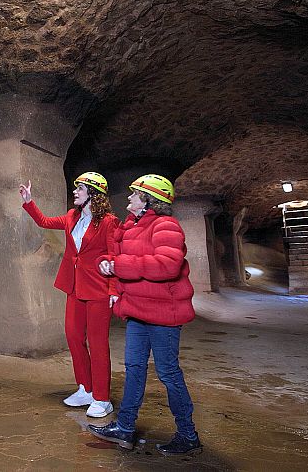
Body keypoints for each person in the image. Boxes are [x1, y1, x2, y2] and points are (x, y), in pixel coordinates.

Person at [87, 174, 202, 456]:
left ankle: (188, 436)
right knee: (134, 369)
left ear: (148, 200)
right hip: (138, 311)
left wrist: (120, 265)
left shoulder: (166, 225)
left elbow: (166, 266)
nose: (128, 198)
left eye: (134, 194)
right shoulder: (132, 227)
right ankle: (125, 428)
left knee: (168, 373)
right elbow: (122, 257)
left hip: (164, 313)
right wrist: (109, 263)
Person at [19, 172, 119, 418]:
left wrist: (114, 290)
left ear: (93, 194)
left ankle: (102, 398)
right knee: (74, 336)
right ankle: (86, 388)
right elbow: (44, 221)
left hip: (98, 289)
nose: (75, 192)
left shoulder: (108, 222)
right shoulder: (72, 216)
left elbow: (115, 257)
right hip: (74, 287)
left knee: (98, 345)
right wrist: (29, 201)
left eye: (80, 188)